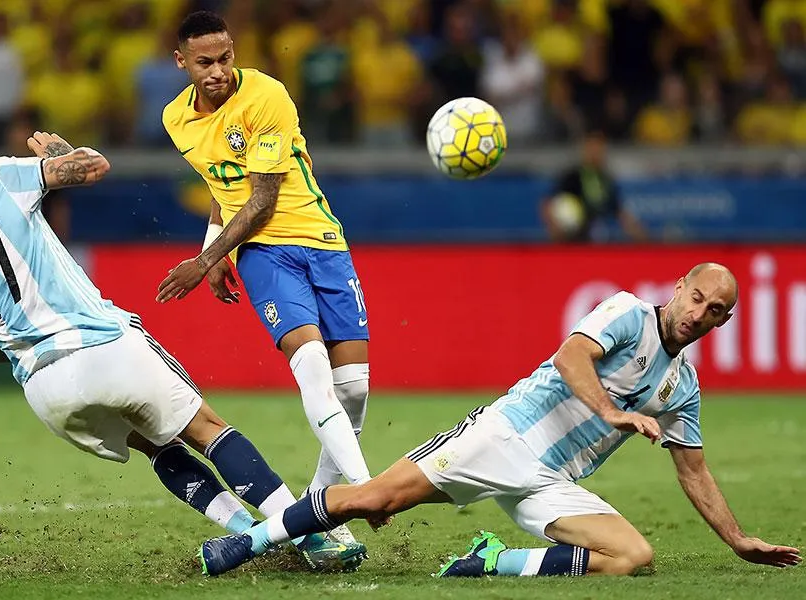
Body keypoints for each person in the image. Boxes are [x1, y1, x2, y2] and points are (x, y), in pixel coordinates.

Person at [0, 127, 363, 571]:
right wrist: (58, 151)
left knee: (156, 447)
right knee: (207, 430)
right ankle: (308, 538)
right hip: (103, 347)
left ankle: (249, 534)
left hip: (45, 389)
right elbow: (93, 167)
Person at [197, 264, 802, 577]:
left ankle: (491, 561)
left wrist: (738, 540)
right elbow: (570, 357)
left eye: (715, 311)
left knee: (631, 557)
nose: (700, 313)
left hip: (551, 481)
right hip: (504, 436)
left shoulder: (683, 387)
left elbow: (694, 472)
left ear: (723, 321)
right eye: (697, 297)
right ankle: (246, 542)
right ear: (680, 286)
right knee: (372, 500)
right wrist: (612, 412)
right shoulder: (627, 312)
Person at [156, 12, 371, 549]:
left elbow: (262, 198)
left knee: (355, 389)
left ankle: (318, 505)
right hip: (264, 253)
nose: (217, 72)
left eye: (225, 58)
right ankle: (368, 492)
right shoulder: (176, 119)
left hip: (323, 241)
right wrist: (214, 248)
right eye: (204, 63)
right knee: (313, 368)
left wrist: (204, 261)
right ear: (181, 62)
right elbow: (221, 182)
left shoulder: (266, 95)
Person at [540, 128, 648, 243]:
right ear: (585, 149)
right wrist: (554, 226)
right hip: (572, 239)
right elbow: (547, 204)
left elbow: (618, 211)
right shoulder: (572, 177)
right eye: (592, 147)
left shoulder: (606, 179)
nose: (596, 152)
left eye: (600, 148)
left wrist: (637, 231)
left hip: (596, 239)